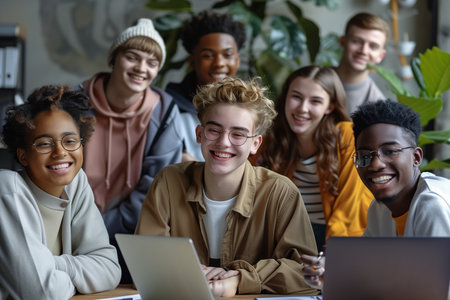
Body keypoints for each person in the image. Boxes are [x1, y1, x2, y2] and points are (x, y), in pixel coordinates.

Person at [136, 77, 319, 297]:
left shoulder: (281, 193)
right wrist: (188, 272)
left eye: (238, 134)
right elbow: (146, 260)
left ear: (255, 144)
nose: (224, 142)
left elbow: (306, 273)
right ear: (199, 134)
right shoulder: (168, 181)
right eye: (214, 130)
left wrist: (240, 280)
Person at [76, 18, 183, 282]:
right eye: (132, 57)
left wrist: (100, 229)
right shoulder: (74, 101)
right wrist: (79, 226)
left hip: (130, 235)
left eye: (152, 63)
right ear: (114, 59)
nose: (141, 68)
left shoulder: (164, 111)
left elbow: (156, 186)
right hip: (70, 227)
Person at [301, 99, 450, 290]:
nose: (375, 164)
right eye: (364, 155)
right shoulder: (379, 209)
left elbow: (435, 291)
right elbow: (371, 275)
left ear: (416, 157)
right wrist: (331, 275)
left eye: (390, 151)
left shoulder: (432, 205)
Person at [0, 85, 121, 299]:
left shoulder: (75, 183)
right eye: (44, 144)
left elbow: (109, 269)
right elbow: (42, 293)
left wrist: (52, 266)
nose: (60, 152)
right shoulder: (6, 189)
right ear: (23, 156)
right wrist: (78, 278)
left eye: (70, 141)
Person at [251, 66, 373, 252]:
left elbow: (350, 205)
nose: (302, 108)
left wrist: (332, 256)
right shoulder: (270, 143)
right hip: (286, 240)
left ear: (330, 107)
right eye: (296, 97)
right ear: (285, 98)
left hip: (336, 238)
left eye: (315, 101)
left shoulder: (347, 136)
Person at [166, 10, 246, 162]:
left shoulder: (251, 108)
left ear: (238, 60)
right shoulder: (170, 107)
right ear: (192, 61)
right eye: (208, 56)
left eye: (227, 55)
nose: (219, 64)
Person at [335, 12, 389, 114]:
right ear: (343, 42)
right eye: (356, 41)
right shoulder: (312, 80)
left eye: (373, 46)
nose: (363, 51)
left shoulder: (378, 106)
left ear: (381, 56)